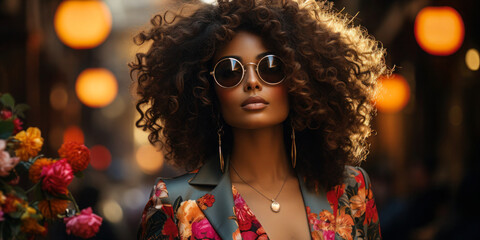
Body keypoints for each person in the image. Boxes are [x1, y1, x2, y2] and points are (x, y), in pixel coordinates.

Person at [130, 0, 386, 239]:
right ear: (207, 91)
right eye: (230, 71)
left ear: (299, 80)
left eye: (270, 67)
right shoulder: (173, 203)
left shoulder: (352, 189)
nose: (252, 82)